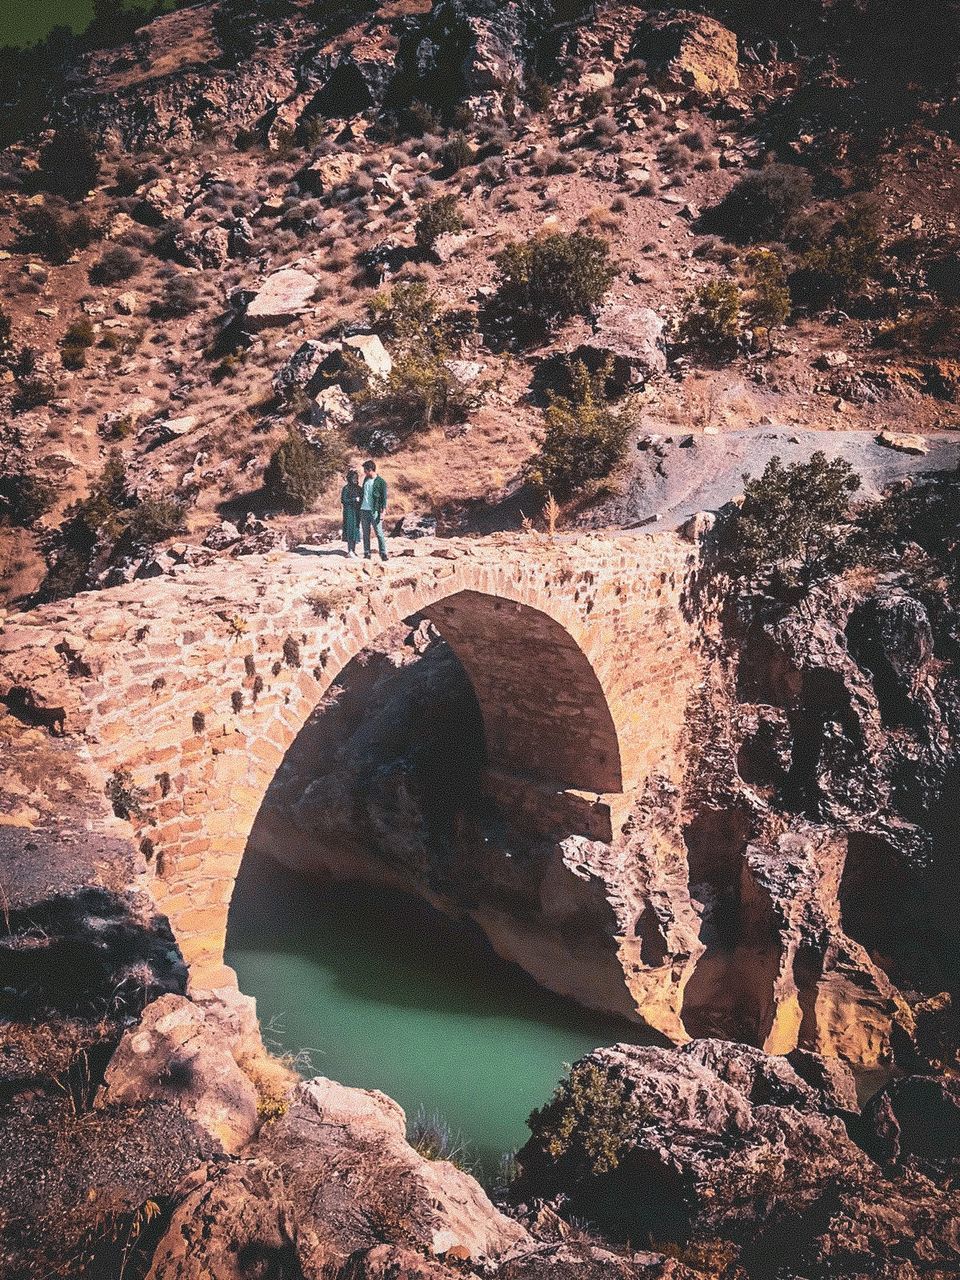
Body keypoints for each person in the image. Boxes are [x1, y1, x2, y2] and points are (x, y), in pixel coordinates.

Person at [359, 458, 388, 561]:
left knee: (379, 532)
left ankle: (383, 553)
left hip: (374, 511)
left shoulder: (381, 482)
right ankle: (367, 553)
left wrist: (383, 512)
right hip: (363, 510)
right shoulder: (366, 480)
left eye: (365, 470)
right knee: (365, 533)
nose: (364, 472)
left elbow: (384, 498)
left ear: (370, 469)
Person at [340, 468, 362, 558]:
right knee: (349, 530)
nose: (355, 480)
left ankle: (354, 550)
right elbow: (343, 500)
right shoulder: (346, 488)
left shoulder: (359, 489)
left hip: (357, 512)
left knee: (355, 530)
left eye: (356, 478)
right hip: (349, 512)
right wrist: (354, 500)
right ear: (349, 479)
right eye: (353, 478)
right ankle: (349, 551)